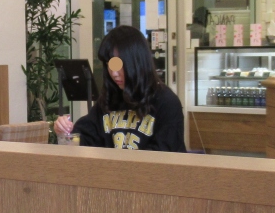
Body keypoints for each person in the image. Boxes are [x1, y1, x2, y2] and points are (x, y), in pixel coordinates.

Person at [53, 26, 185, 152]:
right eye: (109, 65)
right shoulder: (109, 100)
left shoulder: (166, 103)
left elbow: (164, 156)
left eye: (118, 65)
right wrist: (64, 133)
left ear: (136, 62)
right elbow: (85, 139)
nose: (113, 73)